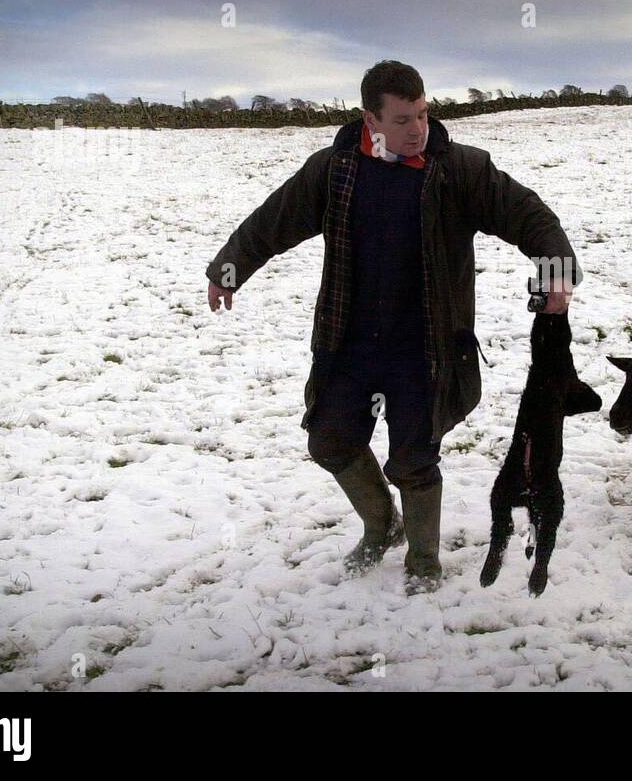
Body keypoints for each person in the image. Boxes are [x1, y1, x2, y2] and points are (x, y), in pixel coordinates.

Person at [206, 60, 582, 593]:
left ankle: (424, 558)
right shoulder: (334, 170)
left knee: (414, 458)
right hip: (347, 342)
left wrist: (557, 273)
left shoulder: (460, 170)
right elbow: (272, 222)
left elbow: (531, 217)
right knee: (330, 441)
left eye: (424, 115)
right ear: (370, 119)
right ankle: (383, 526)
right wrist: (228, 270)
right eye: (403, 119)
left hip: (426, 349)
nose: (418, 129)